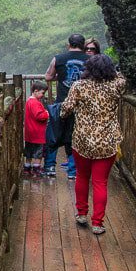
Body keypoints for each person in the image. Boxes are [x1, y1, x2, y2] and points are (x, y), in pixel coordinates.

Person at [60, 54, 125, 234]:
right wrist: (114, 72)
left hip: (82, 140)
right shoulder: (116, 86)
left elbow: (65, 110)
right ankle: (97, 223)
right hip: (107, 141)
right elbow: (122, 77)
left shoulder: (79, 86)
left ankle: (81, 214)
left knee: (82, 176)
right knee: (100, 182)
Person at [43, 34, 90, 179]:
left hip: (61, 102)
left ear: (68, 44)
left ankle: (50, 167)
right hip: (81, 104)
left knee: (53, 135)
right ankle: (73, 171)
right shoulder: (90, 60)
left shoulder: (58, 58)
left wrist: (60, 76)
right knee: (75, 137)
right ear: (83, 45)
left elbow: (48, 77)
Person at [23, 80, 49, 175]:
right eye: (42, 93)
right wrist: (46, 114)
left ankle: (27, 167)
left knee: (29, 152)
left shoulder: (29, 101)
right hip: (37, 133)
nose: (43, 95)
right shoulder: (35, 103)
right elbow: (39, 116)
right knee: (38, 153)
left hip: (30, 133)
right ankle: (36, 168)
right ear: (36, 91)